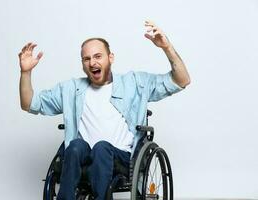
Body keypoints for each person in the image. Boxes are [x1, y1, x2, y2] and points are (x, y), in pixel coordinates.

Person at [18, 20, 190, 200]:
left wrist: (167, 47)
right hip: (83, 159)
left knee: (101, 148)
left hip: (121, 159)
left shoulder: (135, 83)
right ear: (83, 64)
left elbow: (182, 80)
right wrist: (25, 73)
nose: (92, 62)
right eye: (86, 59)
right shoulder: (70, 90)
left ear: (111, 58)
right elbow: (29, 103)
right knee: (75, 146)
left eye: (98, 56)